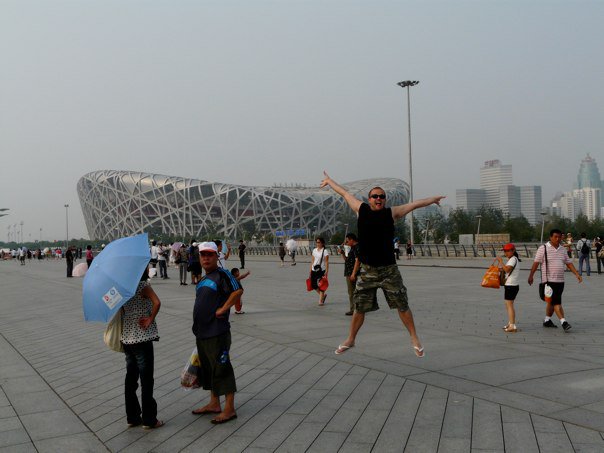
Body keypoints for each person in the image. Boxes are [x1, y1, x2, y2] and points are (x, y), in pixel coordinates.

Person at [320, 171, 445, 357]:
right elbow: (345, 193)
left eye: (382, 196)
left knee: (402, 305)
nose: (378, 198)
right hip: (368, 269)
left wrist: (431, 200)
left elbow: (414, 204)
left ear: (384, 200)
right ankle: (351, 339)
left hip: (389, 270)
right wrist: (330, 181)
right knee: (359, 307)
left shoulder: (391, 213)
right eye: (375, 196)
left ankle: (414, 338)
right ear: (369, 199)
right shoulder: (360, 209)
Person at [191, 242, 242, 424]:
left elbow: (238, 290)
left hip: (217, 332)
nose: (205, 258)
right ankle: (214, 403)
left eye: (209, 255)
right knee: (210, 369)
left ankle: (229, 409)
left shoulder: (223, 274)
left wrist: (224, 308)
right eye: (203, 255)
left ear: (216, 257)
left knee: (222, 368)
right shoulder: (204, 279)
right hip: (202, 333)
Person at [121, 267, 163, 429]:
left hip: (127, 338)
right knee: (146, 380)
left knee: (131, 378)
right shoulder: (143, 285)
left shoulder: (123, 288)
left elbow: (121, 310)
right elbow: (157, 302)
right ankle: (149, 419)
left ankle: (132, 417)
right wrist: (150, 318)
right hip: (142, 338)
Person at [528, 229, 582, 331]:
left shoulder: (562, 249)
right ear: (550, 237)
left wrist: (577, 274)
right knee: (557, 302)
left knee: (551, 302)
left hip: (560, 281)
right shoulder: (542, 248)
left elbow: (568, 263)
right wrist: (531, 276)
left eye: (559, 237)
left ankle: (547, 320)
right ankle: (564, 322)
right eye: (555, 237)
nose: (558, 239)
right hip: (548, 281)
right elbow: (536, 263)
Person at [496, 243, 521, 332]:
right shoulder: (513, 259)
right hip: (512, 285)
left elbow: (507, 269)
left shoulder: (513, 259)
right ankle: (510, 323)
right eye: (505, 251)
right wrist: (498, 269)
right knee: (508, 305)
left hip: (511, 285)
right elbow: (506, 269)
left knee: (509, 305)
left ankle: (512, 325)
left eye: (508, 251)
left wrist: (500, 261)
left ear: (513, 251)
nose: (506, 253)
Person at [340, 233, 360, 316]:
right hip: (349, 272)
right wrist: (342, 253)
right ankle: (356, 309)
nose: (346, 242)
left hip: (352, 273)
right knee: (353, 292)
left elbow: (357, 261)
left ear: (352, 240)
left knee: (352, 292)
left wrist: (353, 274)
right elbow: (347, 260)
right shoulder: (352, 248)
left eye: (347, 241)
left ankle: (354, 309)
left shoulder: (356, 248)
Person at [309, 237, 329, 305]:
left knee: (321, 284)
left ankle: (320, 301)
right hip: (314, 269)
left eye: (319, 242)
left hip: (321, 270)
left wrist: (327, 271)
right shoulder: (314, 250)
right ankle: (323, 295)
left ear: (322, 243)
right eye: (316, 242)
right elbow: (312, 261)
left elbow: (326, 262)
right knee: (313, 285)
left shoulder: (325, 251)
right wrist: (310, 270)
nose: (317, 244)